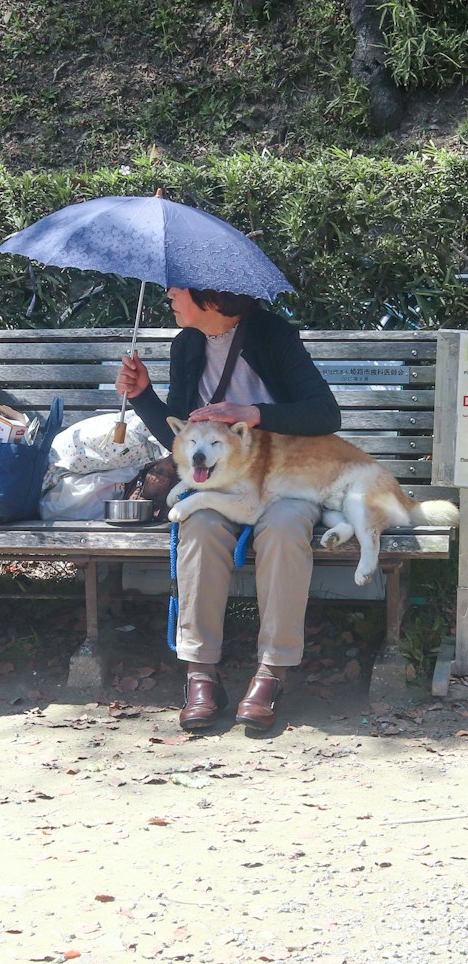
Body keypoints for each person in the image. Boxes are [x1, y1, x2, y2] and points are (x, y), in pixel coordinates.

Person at [115, 287, 341, 732]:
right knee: (199, 524)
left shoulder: (272, 334)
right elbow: (183, 441)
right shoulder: (187, 344)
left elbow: (325, 415)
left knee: (284, 527)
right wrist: (143, 396)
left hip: (285, 476)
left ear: (212, 298)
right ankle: (200, 673)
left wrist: (253, 412)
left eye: (179, 289)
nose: (169, 294)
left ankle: (272, 671)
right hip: (219, 481)